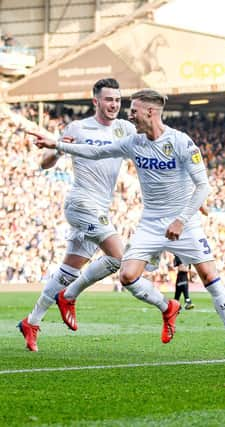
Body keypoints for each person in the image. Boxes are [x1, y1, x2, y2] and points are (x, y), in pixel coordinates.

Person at [30, 89, 225, 361]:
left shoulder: (181, 142)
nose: (129, 115)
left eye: (134, 110)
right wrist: (58, 145)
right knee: (127, 276)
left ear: (150, 112)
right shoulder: (133, 142)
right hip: (151, 223)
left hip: (184, 224)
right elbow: (95, 152)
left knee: (210, 277)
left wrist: (181, 219)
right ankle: (168, 308)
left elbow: (203, 186)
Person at [18, 78, 137, 352]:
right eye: (109, 99)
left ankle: (31, 322)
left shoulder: (125, 129)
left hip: (102, 206)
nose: (114, 105)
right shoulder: (79, 127)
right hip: (81, 203)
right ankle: (69, 298)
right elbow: (45, 162)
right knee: (119, 256)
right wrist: (58, 150)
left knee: (68, 271)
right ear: (95, 101)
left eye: (118, 100)